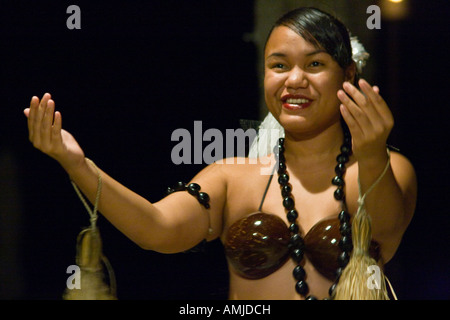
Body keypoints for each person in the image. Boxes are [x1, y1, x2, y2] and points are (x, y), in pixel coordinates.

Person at [24, 7, 417, 300]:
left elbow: (383, 229)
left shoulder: (385, 167)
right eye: (279, 65)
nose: (294, 80)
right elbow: (158, 230)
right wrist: (77, 164)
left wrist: (369, 153)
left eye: (315, 64)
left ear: (347, 76)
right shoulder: (232, 176)